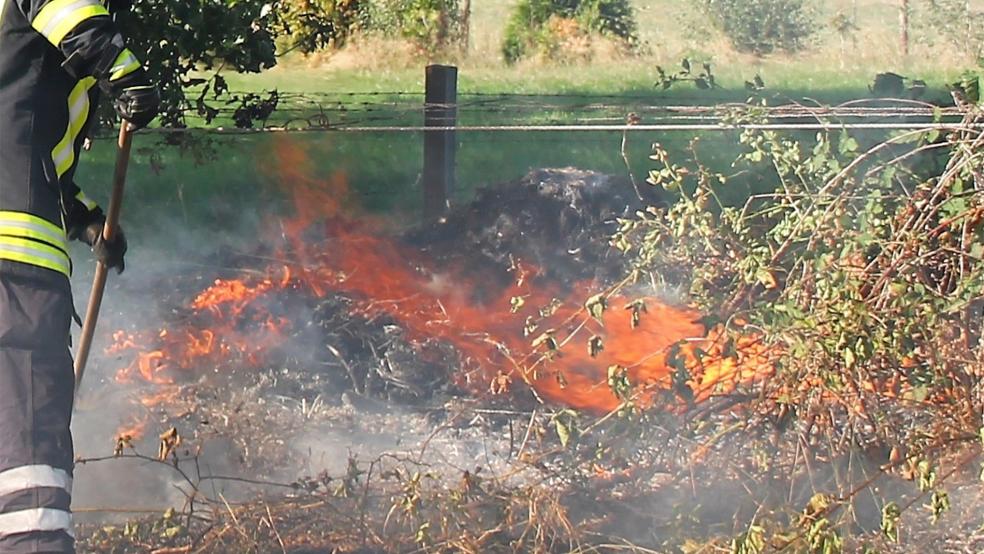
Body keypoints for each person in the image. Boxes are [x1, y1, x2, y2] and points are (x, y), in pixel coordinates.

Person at [0, 0, 159, 550]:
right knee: (28, 447)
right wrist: (120, 67)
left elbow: (24, 146)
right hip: (14, 279)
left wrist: (86, 219)